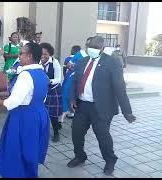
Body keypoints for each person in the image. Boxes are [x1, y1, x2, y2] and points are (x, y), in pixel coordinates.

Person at [67, 36, 136, 175]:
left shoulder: (112, 62)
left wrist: (127, 112)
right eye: (90, 47)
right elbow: (74, 82)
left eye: (96, 48)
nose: (92, 50)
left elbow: (119, 87)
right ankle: (80, 156)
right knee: (76, 133)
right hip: (82, 106)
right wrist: (72, 99)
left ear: (103, 48)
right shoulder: (82, 61)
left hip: (102, 108)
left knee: (103, 137)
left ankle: (110, 160)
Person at [0, 42, 50, 178]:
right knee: (31, 148)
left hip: (24, 116)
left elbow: (14, 101)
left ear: (29, 56)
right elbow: (36, 95)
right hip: (39, 113)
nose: (19, 56)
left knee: (17, 149)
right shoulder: (41, 72)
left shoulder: (25, 75)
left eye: (21, 53)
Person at [40, 42, 62, 142]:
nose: (43, 56)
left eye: (46, 54)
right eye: (41, 53)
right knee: (42, 113)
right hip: (42, 91)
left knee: (53, 114)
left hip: (53, 91)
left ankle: (56, 133)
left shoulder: (55, 62)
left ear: (50, 54)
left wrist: (50, 81)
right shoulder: (38, 63)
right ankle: (42, 133)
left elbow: (59, 78)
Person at [61, 45, 81, 122]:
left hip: (68, 78)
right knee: (73, 95)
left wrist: (65, 76)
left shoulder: (68, 59)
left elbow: (64, 68)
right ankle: (72, 111)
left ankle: (66, 110)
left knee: (66, 93)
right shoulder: (81, 58)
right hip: (76, 79)